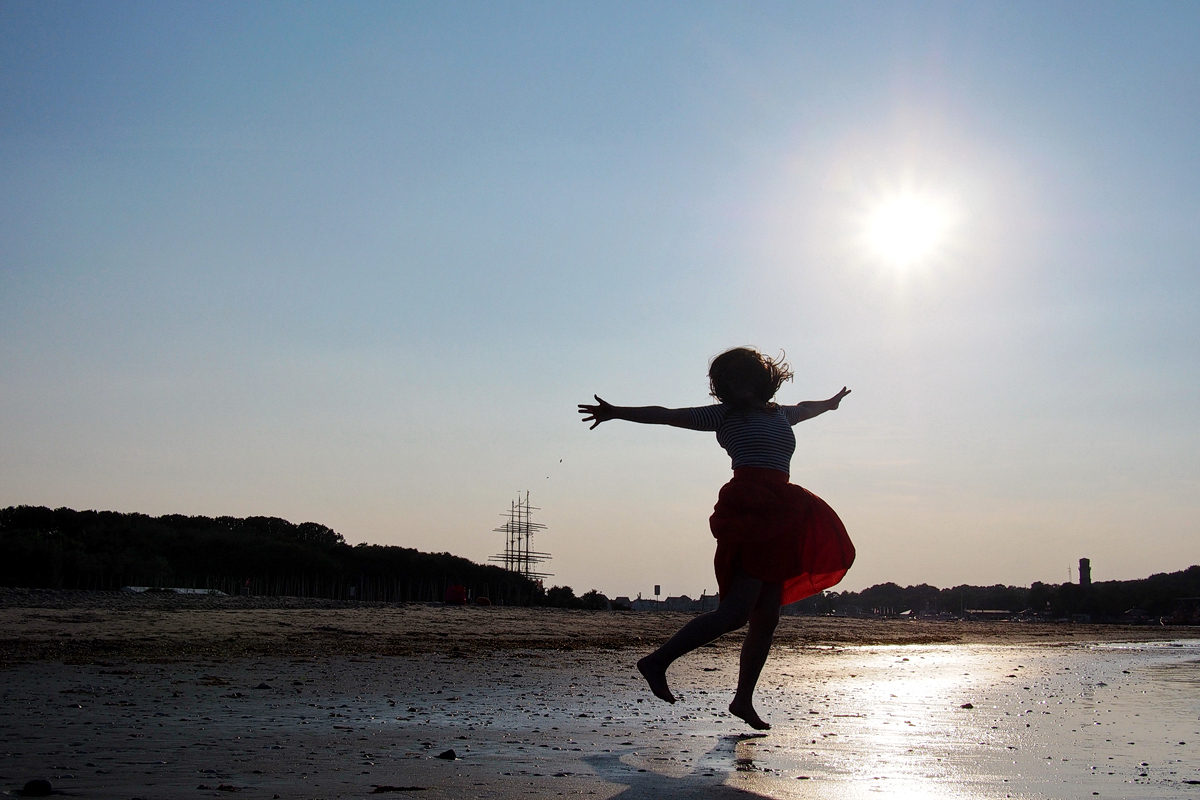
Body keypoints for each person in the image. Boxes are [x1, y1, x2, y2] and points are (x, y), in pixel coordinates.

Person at [578, 347, 854, 730]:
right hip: (749, 510)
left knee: (767, 617)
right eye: (726, 381)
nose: (732, 386)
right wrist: (617, 412)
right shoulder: (723, 415)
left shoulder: (781, 413)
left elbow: (807, 407)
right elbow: (667, 415)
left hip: (783, 511)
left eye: (740, 378)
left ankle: (743, 700)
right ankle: (657, 661)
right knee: (737, 610)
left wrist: (831, 403)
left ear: (759, 380)